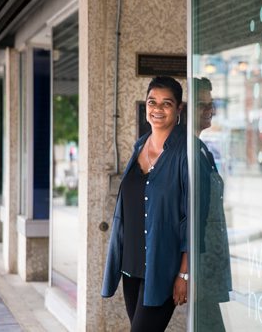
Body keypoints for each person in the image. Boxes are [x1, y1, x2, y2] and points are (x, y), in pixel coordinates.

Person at [101, 76, 188, 332]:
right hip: (131, 267)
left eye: (166, 103)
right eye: (152, 102)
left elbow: (193, 218)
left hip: (162, 270)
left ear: (178, 109)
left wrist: (184, 274)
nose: (157, 109)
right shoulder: (140, 145)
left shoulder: (186, 153)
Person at [193, 77, 232, 332]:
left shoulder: (201, 150)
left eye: (212, 103)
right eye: (202, 104)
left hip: (209, 265)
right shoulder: (186, 152)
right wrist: (188, 273)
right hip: (199, 268)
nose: (211, 110)